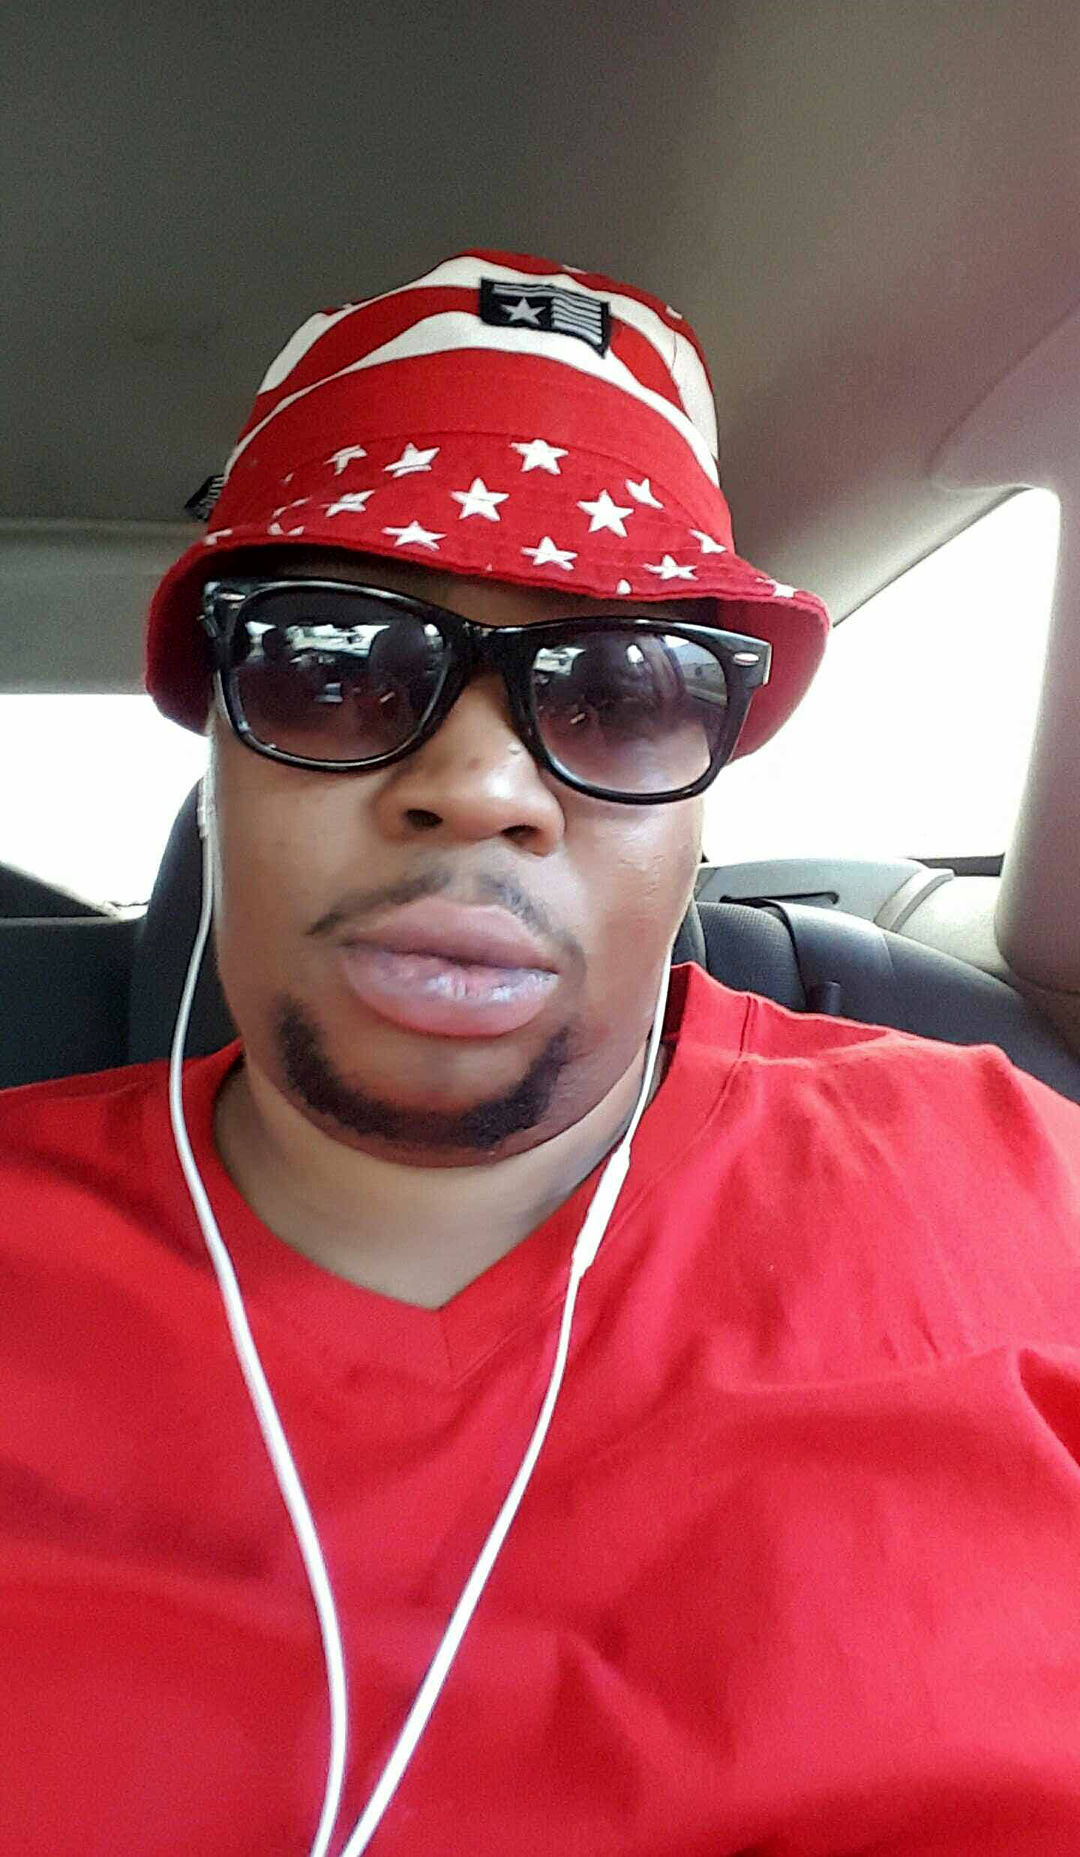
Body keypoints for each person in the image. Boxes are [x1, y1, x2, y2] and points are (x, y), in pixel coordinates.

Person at [2, 248, 1080, 1857]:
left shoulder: (1029, 1196)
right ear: (216, 744)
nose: (481, 787)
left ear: (702, 801)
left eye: (622, 690)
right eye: (334, 660)